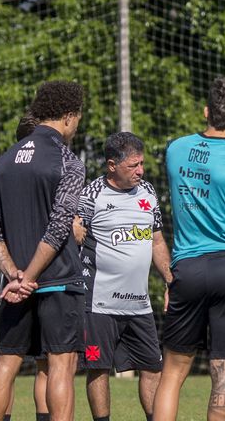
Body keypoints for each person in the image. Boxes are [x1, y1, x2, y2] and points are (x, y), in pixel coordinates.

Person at [156, 76, 225, 421]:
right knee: (223, 371)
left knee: (173, 371)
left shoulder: (176, 149)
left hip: (186, 268)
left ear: (206, 110)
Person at [0, 80, 88, 421]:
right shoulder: (68, 161)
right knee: (61, 364)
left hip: (14, 285)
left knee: (6, 364)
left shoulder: (3, 162)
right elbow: (59, 227)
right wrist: (30, 275)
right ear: (69, 116)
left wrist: (14, 274)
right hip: (57, 279)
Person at [75, 132, 170, 421]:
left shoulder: (149, 192)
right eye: (133, 166)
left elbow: (156, 240)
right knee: (98, 367)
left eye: (141, 164)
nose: (140, 171)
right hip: (99, 301)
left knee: (153, 367)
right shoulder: (92, 194)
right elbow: (74, 234)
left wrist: (169, 279)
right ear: (112, 165)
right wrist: (73, 229)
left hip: (139, 303)